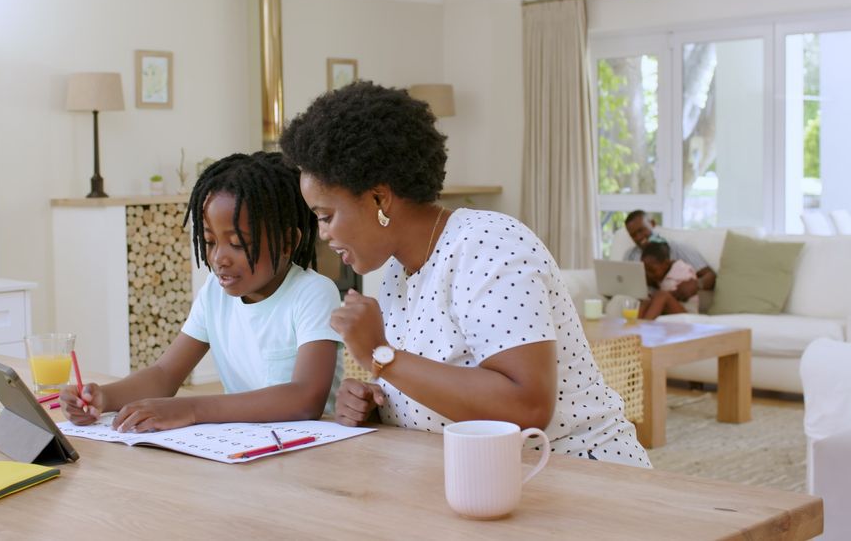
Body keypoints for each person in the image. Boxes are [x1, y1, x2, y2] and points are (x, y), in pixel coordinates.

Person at [281, 81, 650, 468]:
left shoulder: (488, 245)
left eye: (326, 216)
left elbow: (526, 408)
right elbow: (443, 386)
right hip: (484, 478)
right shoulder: (396, 272)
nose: (324, 233)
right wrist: (376, 403)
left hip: (579, 475)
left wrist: (381, 356)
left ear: (379, 198)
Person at [60, 152, 344, 432]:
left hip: (308, 450)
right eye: (209, 241)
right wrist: (104, 397)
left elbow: (306, 398)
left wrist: (192, 409)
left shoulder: (313, 293)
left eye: (238, 243)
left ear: (286, 242)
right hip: (243, 447)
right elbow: (165, 374)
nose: (219, 257)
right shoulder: (215, 293)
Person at [623, 210, 716, 303]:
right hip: (638, 302)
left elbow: (711, 275)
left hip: (670, 302)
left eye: (641, 230)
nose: (639, 237)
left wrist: (696, 285)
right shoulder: (629, 255)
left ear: (652, 223)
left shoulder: (677, 248)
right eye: (633, 235)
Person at [639, 240, 699, 319]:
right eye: (645, 270)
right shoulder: (662, 274)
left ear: (666, 264)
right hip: (670, 314)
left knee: (662, 296)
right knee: (645, 301)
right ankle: (632, 326)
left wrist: (655, 296)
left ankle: (643, 326)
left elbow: (680, 294)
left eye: (652, 270)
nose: (648, 274)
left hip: (688, 315)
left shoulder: (681, 269)